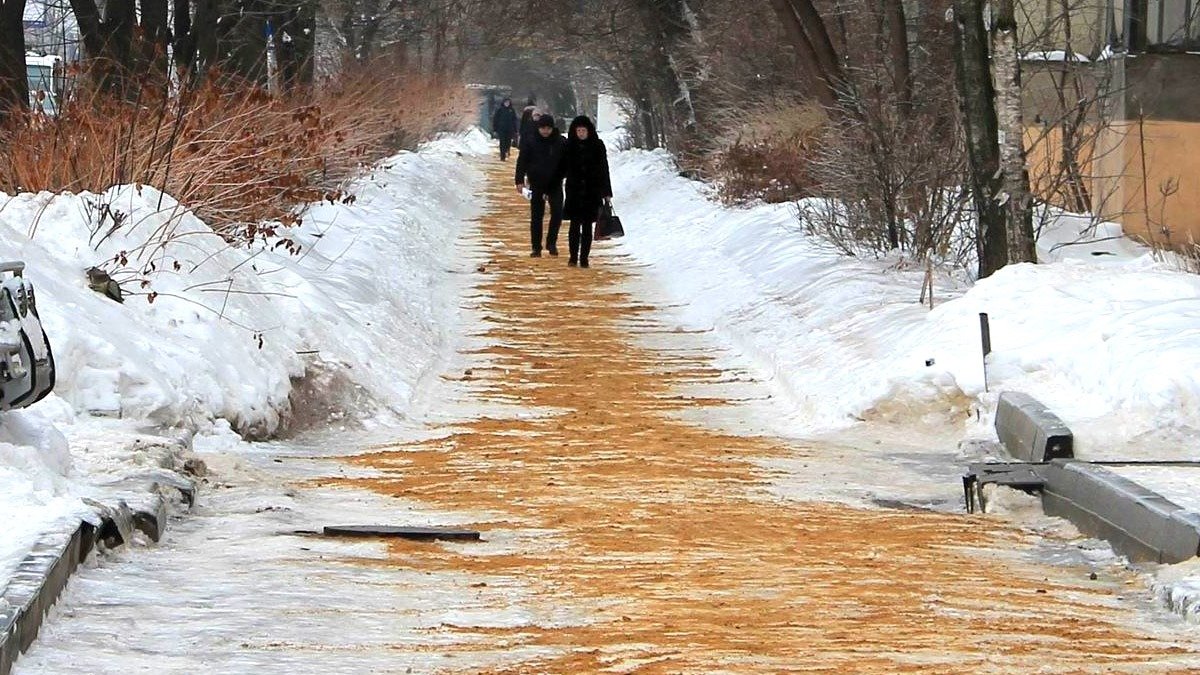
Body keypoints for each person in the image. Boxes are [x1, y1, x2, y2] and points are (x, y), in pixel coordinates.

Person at [560, 115, 612, 269]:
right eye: (578, 130)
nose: (581, 133)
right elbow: (561, 168)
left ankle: (584, 258)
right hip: (574, 190)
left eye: (584, 130)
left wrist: (606, 191)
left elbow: (604, 169)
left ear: (589, 131)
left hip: (592, 190)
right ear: (574, 131)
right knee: (574, 225)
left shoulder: (597, 146)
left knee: (588, 226)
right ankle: (572, 256)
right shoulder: (569, 146)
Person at [515, 114, 566, 257]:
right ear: (538, 128)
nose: (545, 131)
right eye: (543, 128)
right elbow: (522, 161)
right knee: (537, 215)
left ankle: (551, 242)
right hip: (537, 182)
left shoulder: (560, 142)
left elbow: (568, 161)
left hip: (555, 182)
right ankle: (536, 247)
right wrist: (519, 180)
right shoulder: (531, 141)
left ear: (552, 128)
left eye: (548, 128)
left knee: (557, 213)